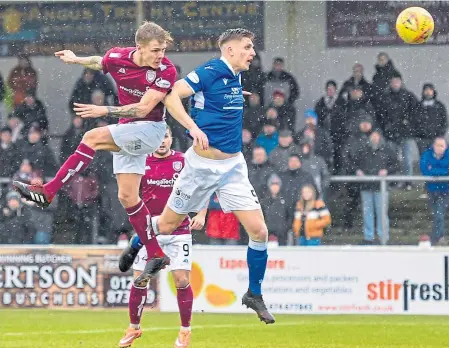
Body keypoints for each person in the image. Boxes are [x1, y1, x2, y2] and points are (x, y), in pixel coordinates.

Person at [12, 22, 208, 285]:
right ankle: (156, 253)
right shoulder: (119, 56)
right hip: (128, 131)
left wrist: (103, 111)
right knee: (127, 196)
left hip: (150, 129)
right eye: (155, 50)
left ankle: (48, 191)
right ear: (139, 47)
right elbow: (100, 61)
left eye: (163, 50)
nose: (161, 55)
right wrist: (75, 59)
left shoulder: (165, 70)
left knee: (91, 137)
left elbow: (142, 109)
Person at [120, 28, 275, 324]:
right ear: (229, 50)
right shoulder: (211, 70)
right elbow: (171, 95)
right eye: (247, 47)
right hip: (200, 168)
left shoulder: (232, 75)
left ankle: (253, 293)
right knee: (165, 226)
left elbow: (214, 99)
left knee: (259, 231)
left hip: (232, 168)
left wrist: (228, 95)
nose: (252, 52)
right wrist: (192, 127)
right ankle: (138, 242)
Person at [118, 127, 206, 348]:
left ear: (171, 138)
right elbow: (130, 195)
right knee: (140, 280)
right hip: (149, 232)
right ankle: (133, 328)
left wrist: (202, 214)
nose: (162, 141)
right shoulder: (141, 162)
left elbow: (202, 188)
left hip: (179, 230)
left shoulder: (183, 161)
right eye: (158, 137)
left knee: (182, 280)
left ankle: (185, 331)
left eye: (165, 137)